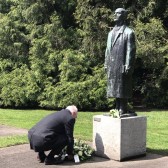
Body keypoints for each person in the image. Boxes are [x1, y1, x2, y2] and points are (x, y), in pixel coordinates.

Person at [104, 8, 136, 117]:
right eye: (115, 12)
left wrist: (128, 64)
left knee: (122, 86)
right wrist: (106, 63)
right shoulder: (110, 33)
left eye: (118, 13)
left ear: (123, 16)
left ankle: (123, 107)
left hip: (122, 64)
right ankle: (117, 106)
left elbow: (130, 50)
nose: (115, 14)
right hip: (112, 64)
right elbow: (107, 50)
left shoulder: (128, 32)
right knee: (114, 87)